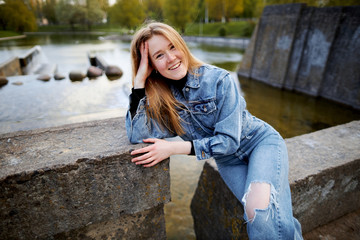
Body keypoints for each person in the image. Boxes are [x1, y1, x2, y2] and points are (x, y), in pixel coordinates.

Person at [125, 21, 303, 240]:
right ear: (150, 64)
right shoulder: (163, 101)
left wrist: (173, 148)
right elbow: (137, 135)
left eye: (172, 47)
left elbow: (229, 141)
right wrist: (139, 82)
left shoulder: (219, 80)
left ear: (182, 45)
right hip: (228, 161)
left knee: (260, 211)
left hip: (260, 143)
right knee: (271, 218)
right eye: (159, 55)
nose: (171, 58)